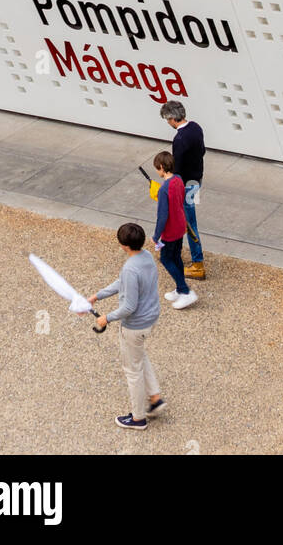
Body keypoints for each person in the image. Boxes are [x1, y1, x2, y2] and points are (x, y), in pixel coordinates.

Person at [89, 221, 166, 431]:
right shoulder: (147, 257)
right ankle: (156, 398)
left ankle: (138, 418)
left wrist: (107, 318)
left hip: (135, 326)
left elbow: (129, 307)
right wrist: (98, 295)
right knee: (140, 356)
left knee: (133, 371)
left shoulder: (130, 269)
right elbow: (122, 282)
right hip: (151, 319)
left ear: (123, 245)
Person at [160, 99, 206, 279]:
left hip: (184, 185)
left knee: (188, 222)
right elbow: (202, 151)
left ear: (172, 118)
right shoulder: (196, 127)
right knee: (187, 218)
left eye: (167, 119)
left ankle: (197, 263)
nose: (168, 123)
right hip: (196, 180)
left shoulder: (179, 139)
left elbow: (176, 169)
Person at [152, 150, 197, 310]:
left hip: (170, 231)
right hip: (180, 226)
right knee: (176, 256)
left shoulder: (163, 189)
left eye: (157, 168)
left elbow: (162, 216)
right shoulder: (178, 180)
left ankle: (185, 291)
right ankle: (179, 289)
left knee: (165, 259)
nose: (157, 171)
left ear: (162, 167)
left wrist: (156, 236)